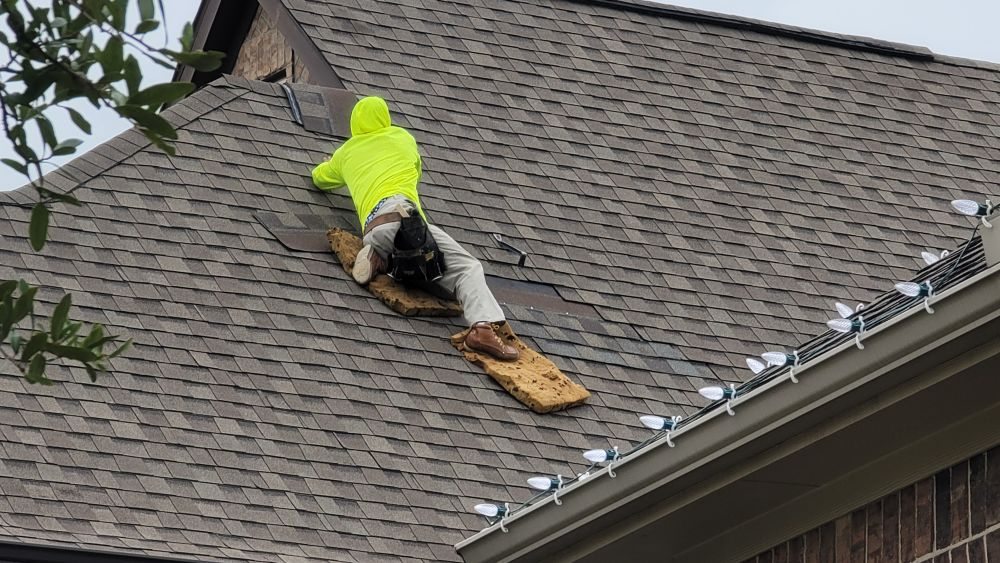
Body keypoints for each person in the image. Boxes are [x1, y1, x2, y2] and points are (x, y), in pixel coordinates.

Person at [312, 96, 519, 362]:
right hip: (405, 219)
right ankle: (481, 328)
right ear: (384, 119)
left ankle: (378, 256)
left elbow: (320, 179)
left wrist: (329, 163)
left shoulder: (346, 153)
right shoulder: (402, 138)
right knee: (467, 268)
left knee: (411, 259)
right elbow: (417, 171)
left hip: (374, 227)